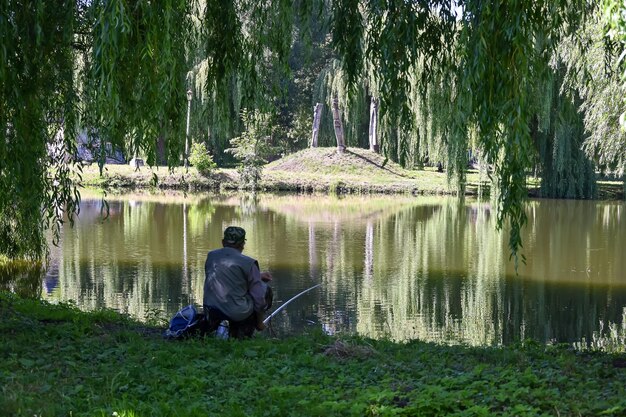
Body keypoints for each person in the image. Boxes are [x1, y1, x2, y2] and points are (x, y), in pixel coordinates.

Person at [203, 226, 273, 339]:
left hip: (210, 310)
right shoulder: (248, 262)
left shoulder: (211, 256)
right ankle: (249, 330)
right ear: (242, 245)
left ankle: (215, 329)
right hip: (236, 312)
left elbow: (225, 278)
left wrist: (257, 276)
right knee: (264, 290)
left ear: (223, 242)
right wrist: (259, 322)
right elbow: (259, 299)